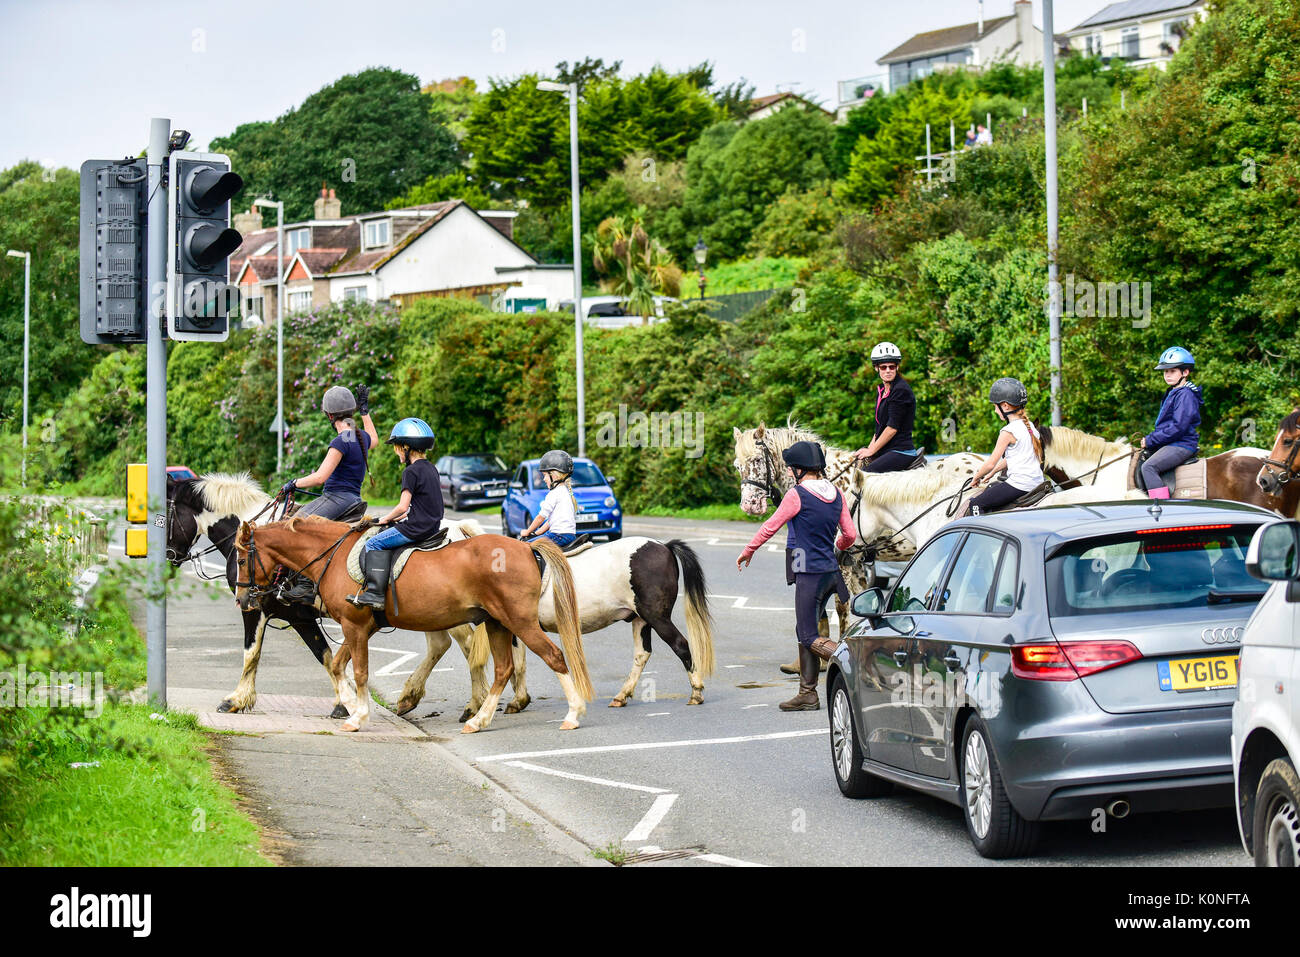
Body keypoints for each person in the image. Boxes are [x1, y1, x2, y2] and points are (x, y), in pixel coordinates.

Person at [736, 441, 856, 712]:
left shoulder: (797, 495)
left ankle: (852, 662)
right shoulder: (837, 494)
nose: (789, 473)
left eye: (791, 469)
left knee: (807, 633)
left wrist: (748, 550)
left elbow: (770, 526)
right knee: (806, 630)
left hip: (809, 574)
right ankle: (808, 693)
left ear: (800, 470)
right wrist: (835, 548)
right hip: (830, 573)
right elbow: (849, 535)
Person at [347, 418, 441, 610]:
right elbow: (419, 506)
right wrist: (397, 518)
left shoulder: (411, 472)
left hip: (416, 529)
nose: (396, 452)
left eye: (397, 447)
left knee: (374, 542)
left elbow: (402, 506)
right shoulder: (431, 468)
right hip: (432, 526)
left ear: (406, 447)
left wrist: (385, 519)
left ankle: (375, 594)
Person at [281, 385, 379, 520]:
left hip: (336, 499)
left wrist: (294, 483)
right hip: (354, 498)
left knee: (289, 525)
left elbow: (320, 478)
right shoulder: (360, 436)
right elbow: (374, 439)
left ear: (330, 415)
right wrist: (364, 412)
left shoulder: (340, 442)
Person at [966, 378, 1044, 515]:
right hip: (1037, 483)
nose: (996, 411)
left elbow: (990, 463)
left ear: (1006, 406)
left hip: (1020, 485)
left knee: (976, 504)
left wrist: (976, 477)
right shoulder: (1030, 427)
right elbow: (1014, 458)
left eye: (996, 407)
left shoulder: (1007, 432)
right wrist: (992, 473)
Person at [1140, 347, 1202, 499]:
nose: (1167, 375)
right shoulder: (1173, 392)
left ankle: (1162, 507)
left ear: (1185, 372)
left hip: (1182, 444)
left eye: (1172, 371)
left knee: (1148, 467)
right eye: (1165, 371)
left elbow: (1178, 427)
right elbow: (1165, 425)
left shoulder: (1186, 395)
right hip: (1172, 442)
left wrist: (1151, 440)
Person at [852, 341, 921, 473]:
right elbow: (879, 429)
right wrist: (868, 449)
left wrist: (871, 450)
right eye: (883, 367)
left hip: (901, 450)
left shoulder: (901, 390)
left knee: (865, 476)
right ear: (876, 368)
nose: (888, 371)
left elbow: (891, 428)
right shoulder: (883, 390)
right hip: (886, 450)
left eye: (892, 367)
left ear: (897, 368)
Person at [520, 449, 578, 549]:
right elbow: (550, 521)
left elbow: (540, 517)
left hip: (558, 536)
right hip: (569, 536)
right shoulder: (565, 492)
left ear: (554, 475)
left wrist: (527, 531)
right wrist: (537, 533)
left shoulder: (554, 493)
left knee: (525, 547)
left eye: (545, 475)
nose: (544, 479)